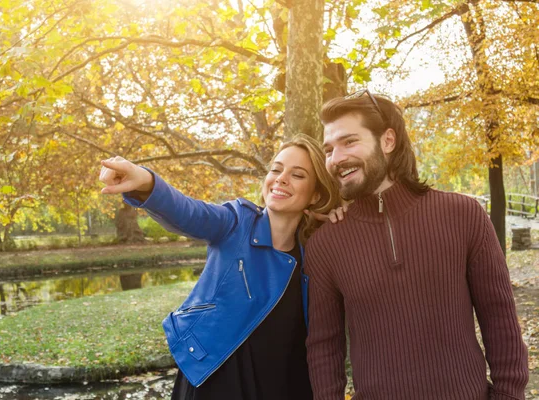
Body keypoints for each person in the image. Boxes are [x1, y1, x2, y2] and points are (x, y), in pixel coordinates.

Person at [305, 91, 529, 400]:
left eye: (349, 142)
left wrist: (507, 395)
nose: (336, 158)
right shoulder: (326, 243)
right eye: (329, 149)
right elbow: (324, 347)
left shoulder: (463, 215)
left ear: (388, 141)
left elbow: (499, 317)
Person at [99, 134, 339, 400]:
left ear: (315, 193)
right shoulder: (235, 222)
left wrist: (342, 214)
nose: (281, 178)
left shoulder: (315, 253)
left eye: (298, 175)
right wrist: (145, 182)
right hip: (217, 381)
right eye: (276, 169)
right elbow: (189, 213)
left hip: (284, 385)